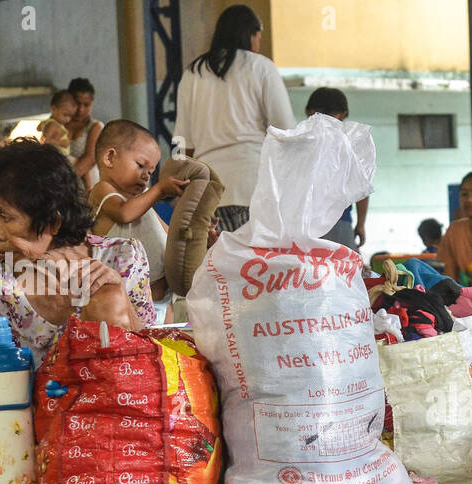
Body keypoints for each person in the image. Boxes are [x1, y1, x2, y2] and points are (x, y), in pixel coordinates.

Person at [0, 139, 152, 367]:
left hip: (120, 396)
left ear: (53, 222)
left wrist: (120, 294)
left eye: (5, 217)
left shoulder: (122, 258)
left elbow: (151, 350)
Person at [174, 4, 296, 234]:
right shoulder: (262, 67)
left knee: (217, 267)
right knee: (257, 265)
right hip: (254, 185)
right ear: (251, 35)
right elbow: (286, 131)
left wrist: (181, 188)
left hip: (207, 192)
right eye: (258, 37)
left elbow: (182, 143)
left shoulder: (193, 73)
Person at [89, 120, 188, 311]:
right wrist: (159, 190)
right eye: (140, 165)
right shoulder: (103, 190)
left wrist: (198, 236)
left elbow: (169, 234)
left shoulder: (141, 204)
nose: (146, 176)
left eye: (150, 172)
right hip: (129, 304)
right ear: (109, 157)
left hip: (163, 301)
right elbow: (123, 213)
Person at [303, 88, 367, 249]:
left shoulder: (298, 141)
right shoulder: (350, 143)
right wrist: (360, 224)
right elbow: (361, 188)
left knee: (307, 272)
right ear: (343, 114)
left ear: (309, 112)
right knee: (345, 271)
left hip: (302, 224)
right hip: (340, 223)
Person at [66, 77, 105, 190]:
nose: (81, 109)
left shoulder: (95, 127)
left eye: (86, 105)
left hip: (88, 184)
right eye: (77, 104)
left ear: (92, 103)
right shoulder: (60, 123)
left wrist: (65, 183)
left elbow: (90, 159)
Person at [39, 90, 78, 158]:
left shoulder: (55, 124)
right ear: (54, 109)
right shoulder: (53, 125)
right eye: (65, 115)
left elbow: (39, 128)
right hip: (56, 156)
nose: (68, 119)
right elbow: (46, 141)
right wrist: (61, 143)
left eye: (70, 116)